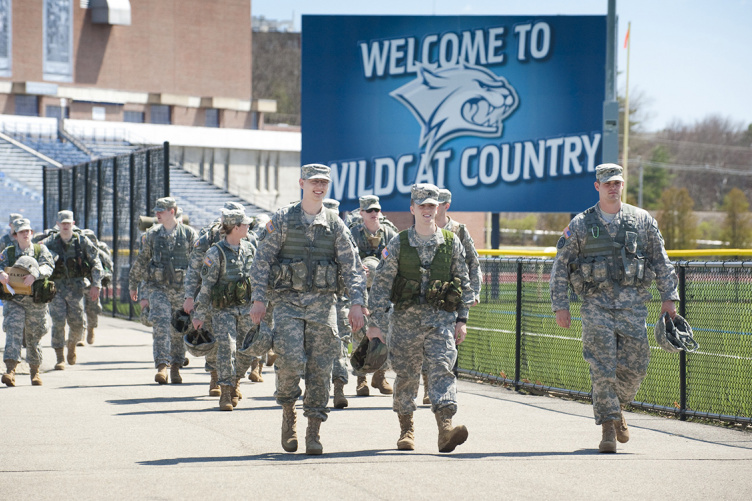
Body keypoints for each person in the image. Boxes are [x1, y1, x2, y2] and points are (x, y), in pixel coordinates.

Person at [549, 163, 679, 454]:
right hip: (596, 307)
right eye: (607, 183)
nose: (612, 187)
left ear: (623, 185)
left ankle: (617, 407)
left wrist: (669, 298)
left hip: (633, 308)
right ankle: (608, 427)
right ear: (597, 186)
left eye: (617, 183)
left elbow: (660, 260)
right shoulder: (581, 224)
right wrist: (561, 305)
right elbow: (561, 266)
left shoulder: (642, 220)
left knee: (637, 366)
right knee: (602, 368)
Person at [249, 163, 367, 455]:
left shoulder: (335, 224)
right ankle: (288, 412)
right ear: (301, 183)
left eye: (324, 183)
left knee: (320, 368)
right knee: (289, 360)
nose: (319, 187)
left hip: (323, 305)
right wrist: (259, 299)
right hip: (288, 304)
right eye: (314, 181)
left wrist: (356, 303)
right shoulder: (283, 220)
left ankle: (313, 430)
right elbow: (262, 261)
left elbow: (351, 267)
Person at [366, 183, 474, 453]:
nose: (427, 210)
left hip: (441, 321)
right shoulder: (400, 243)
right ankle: (406, 428)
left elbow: (463, 280)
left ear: (438, 208)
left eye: (432, 205)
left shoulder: (452, 242)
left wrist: (462, 319)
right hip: (405, 322)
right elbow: (381, 285)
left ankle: (446, 427)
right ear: (412, 208)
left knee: (442, 369)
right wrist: (375, 324)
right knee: (407, 376)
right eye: (422, 205)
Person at [184, 201, 259, 396]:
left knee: (244, 348)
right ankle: (223, 385)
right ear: (234, 226)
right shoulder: (212, 247)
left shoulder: (250, 246)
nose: (248, 226)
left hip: (244, 307)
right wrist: (194, 305)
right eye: (244, 223)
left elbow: (259, 278)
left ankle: (235, 381)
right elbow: (202, 280)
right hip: (220, 306)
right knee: (225, 345)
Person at [129, 197, 198, 384]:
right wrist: (134, 285)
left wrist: (195, 292)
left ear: (172, 212)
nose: (157, 214)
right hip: (158, 287)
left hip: (181, 289)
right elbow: (142, 262)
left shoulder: (189, 234)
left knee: (178, 326)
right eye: (157, 211)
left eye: (161, 211)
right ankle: (161, 365)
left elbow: (197, 263)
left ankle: (175, 365)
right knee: (160, 322)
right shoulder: (152, 235)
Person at [42, 211, 104, 370]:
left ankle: (72, 345)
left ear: (73, 223)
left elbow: (96, 263)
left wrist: (96, 284)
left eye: (68, 223)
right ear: (58, 224)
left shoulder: (81, 241)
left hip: (76, 289)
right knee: (58, 322)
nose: (65, 226)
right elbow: (39, 255)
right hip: (56, 289)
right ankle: (60, 358)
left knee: (77, 323)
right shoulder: (50, 242)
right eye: (62, 223)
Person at [349, 195, 397, 397]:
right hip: (361, 290)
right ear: (361, 213)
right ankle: (361, 380)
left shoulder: (390, 233)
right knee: (360, 332)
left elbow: (397, 258)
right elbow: (346, 259)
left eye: (376, 210)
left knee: (384, 331)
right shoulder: (353, 234)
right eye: (369, 210)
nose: (374, 213)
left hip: (384, 290)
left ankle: (380, 375)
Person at [0, 218, 55, 386]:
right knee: (13, 331)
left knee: (34, 335)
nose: (25, 234)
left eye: (28, 231)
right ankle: (10, 371)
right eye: (22, 231)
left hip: (35, 301)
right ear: (15, 235)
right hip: (15, 300)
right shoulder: (8, 252)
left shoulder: (40, 250)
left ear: (31, 233)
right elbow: (1, 265)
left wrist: (35, 274)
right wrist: (1, 274)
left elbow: (49, 266)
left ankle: (35, 371)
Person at [80, 229, 113, 345]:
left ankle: (91, 328)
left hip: (94, 283)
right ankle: (81, 335)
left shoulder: (99, 250)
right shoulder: (78, 248)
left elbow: (108, 265)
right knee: (79, 308)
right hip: (80, 283)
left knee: (92, 308)